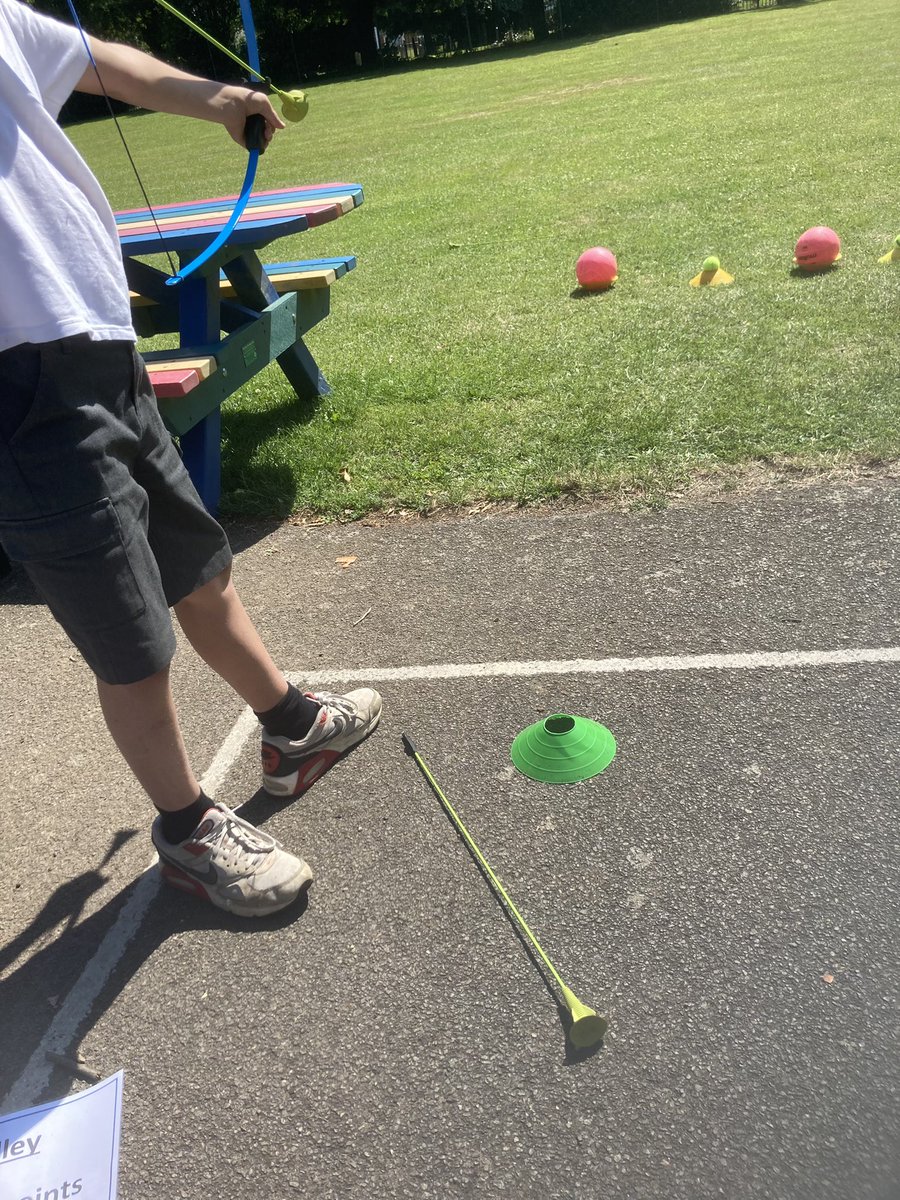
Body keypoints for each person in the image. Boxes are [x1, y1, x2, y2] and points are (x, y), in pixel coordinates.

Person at [0, 0, 381, 917]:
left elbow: (103, 62)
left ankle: (293, 726)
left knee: (197, 566)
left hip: (101, 346)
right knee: (130, 639)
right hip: (16, 395)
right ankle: (187, 828)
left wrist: (219, 99)